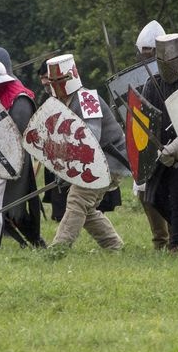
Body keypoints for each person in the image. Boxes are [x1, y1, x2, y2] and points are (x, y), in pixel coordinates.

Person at [44, 54, 125, 250]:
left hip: (108, 161)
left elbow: (90, 138)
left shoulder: (88, 98)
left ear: (71, 77)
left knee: (77, 200)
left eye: (60, 80)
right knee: (86, 209)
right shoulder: (62, 103)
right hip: (92, 161)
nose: (56, 85)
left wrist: (70, 168)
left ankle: (58, 249)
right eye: (52, 81)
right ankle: (114, 246)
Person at [0, 58, 45, 248]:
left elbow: (15, 137)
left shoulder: (19, 99)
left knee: (10, 207)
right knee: (3, 206)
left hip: (14, 160)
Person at [141, 33, 178, 252]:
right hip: (159, 148)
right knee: (153, 197)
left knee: (177, 195)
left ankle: (176, 243)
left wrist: (176, 148)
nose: (167, 65)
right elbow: (146, 115)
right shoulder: (152, 82)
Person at [131, 21, 171, 250]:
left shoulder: (177, 73)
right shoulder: (137, 77)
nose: (147, 58)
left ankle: (177, 238)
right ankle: (161, 240)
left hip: (169, 140)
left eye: (151, 53)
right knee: (145, 193)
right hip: (145, 139)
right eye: (144, 53)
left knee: (168, 194)